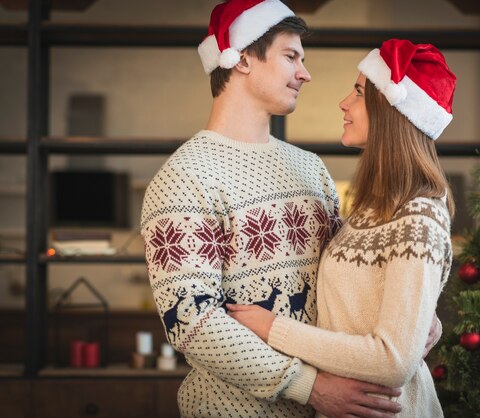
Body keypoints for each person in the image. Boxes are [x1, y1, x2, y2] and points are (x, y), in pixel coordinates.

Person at [141, 1, 402, 417]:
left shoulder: (310, 168)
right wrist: (310, 387)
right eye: (290, 56)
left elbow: (352, 275)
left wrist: (413, 322)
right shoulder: (186, 176)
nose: (305, 72)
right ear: (242, 59)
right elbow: (192, 320)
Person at [228, 39, 457, 418]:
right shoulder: (370, 210)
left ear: (390, 110)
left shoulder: (418, 218)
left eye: (358, 92)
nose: (344, 103)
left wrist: (272, 328)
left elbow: (393, 361)